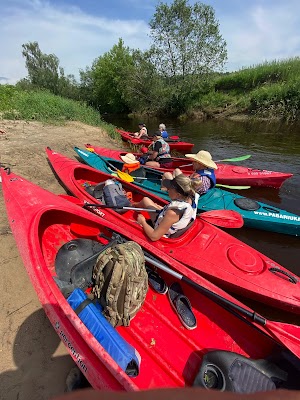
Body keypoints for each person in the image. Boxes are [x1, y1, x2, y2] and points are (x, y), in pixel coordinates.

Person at [134, 173, 200, 241]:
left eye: (170, 188)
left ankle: (131, 205)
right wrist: (162, 209)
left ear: (178, 194)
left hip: (163, 231)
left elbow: (154, 237)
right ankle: (133, 205)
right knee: (147, 201)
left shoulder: (172, 213)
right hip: (171, 222)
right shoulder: (190, 198)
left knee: (145, 200)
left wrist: (143, 222)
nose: (167, 190)